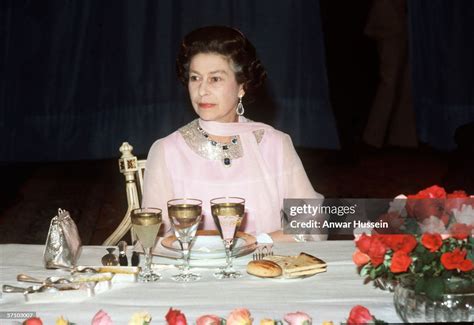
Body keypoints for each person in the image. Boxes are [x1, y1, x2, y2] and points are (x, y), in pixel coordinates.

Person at [142, 26, 324, 241]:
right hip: (194, 271)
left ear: (241, 87)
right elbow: (150, 239)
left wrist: (256, 242)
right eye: (195, 78)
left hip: (265, 267)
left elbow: (312, 224)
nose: (202, 90)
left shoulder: (275, 144)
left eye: (215, 79)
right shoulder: (167, 150)